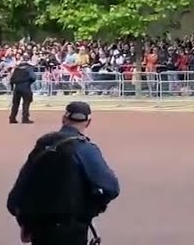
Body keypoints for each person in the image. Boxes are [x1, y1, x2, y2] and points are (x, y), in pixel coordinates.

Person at [7, 102, 120, 245]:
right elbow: (111, 188)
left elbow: (23, 181)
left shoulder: (44, 143)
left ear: (63, 119)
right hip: (71, 226)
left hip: (40, 226)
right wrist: (94, 205)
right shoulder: (85, 149)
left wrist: (22, 218)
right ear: (88, 122)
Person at [9, 54, 37, 125]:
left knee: (15, 104)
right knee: (26, 103)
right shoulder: (29, 68)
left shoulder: (17, 68)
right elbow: (33, 77)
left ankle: (12, 118)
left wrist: (12, 87)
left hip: (17, 87)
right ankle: (25, 118)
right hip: (25, 86)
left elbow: (11, 79)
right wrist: (29, 82)